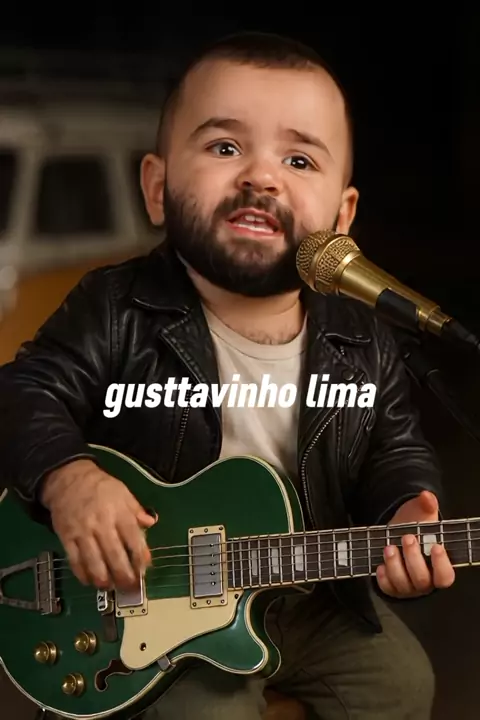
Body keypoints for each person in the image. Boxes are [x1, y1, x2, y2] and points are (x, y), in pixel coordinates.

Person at [0, 31, 455, 720]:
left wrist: (405, 508)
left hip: (300, 591)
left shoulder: (361, 336)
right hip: (149, 597)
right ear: (157, 188)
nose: (261, 178)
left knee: (400, 684)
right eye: (224, 147)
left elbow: (392, 447)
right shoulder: (116, 307)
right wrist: (71, 480)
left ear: (342, 218)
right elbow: (22, 391)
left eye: (298, 159)